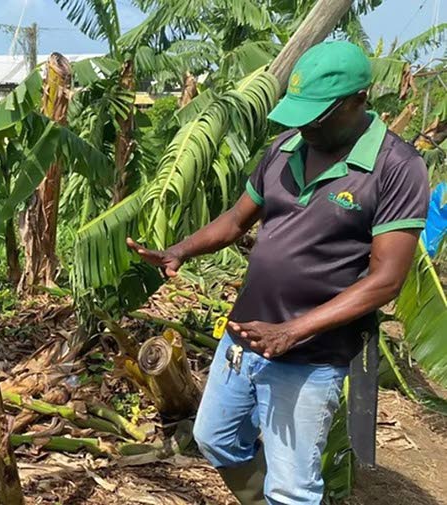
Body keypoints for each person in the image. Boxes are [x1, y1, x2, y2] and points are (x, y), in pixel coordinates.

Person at [127, 41, 428, 505]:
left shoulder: (395, 166)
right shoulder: (287, 146)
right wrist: (179, 251)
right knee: (216, 440)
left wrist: (292, 331)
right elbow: (235, 220)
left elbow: (387, 279)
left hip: (309, 355)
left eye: (317, 115)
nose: (305, 125)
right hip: (244, 338)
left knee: (291, 486)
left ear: (359, 100)